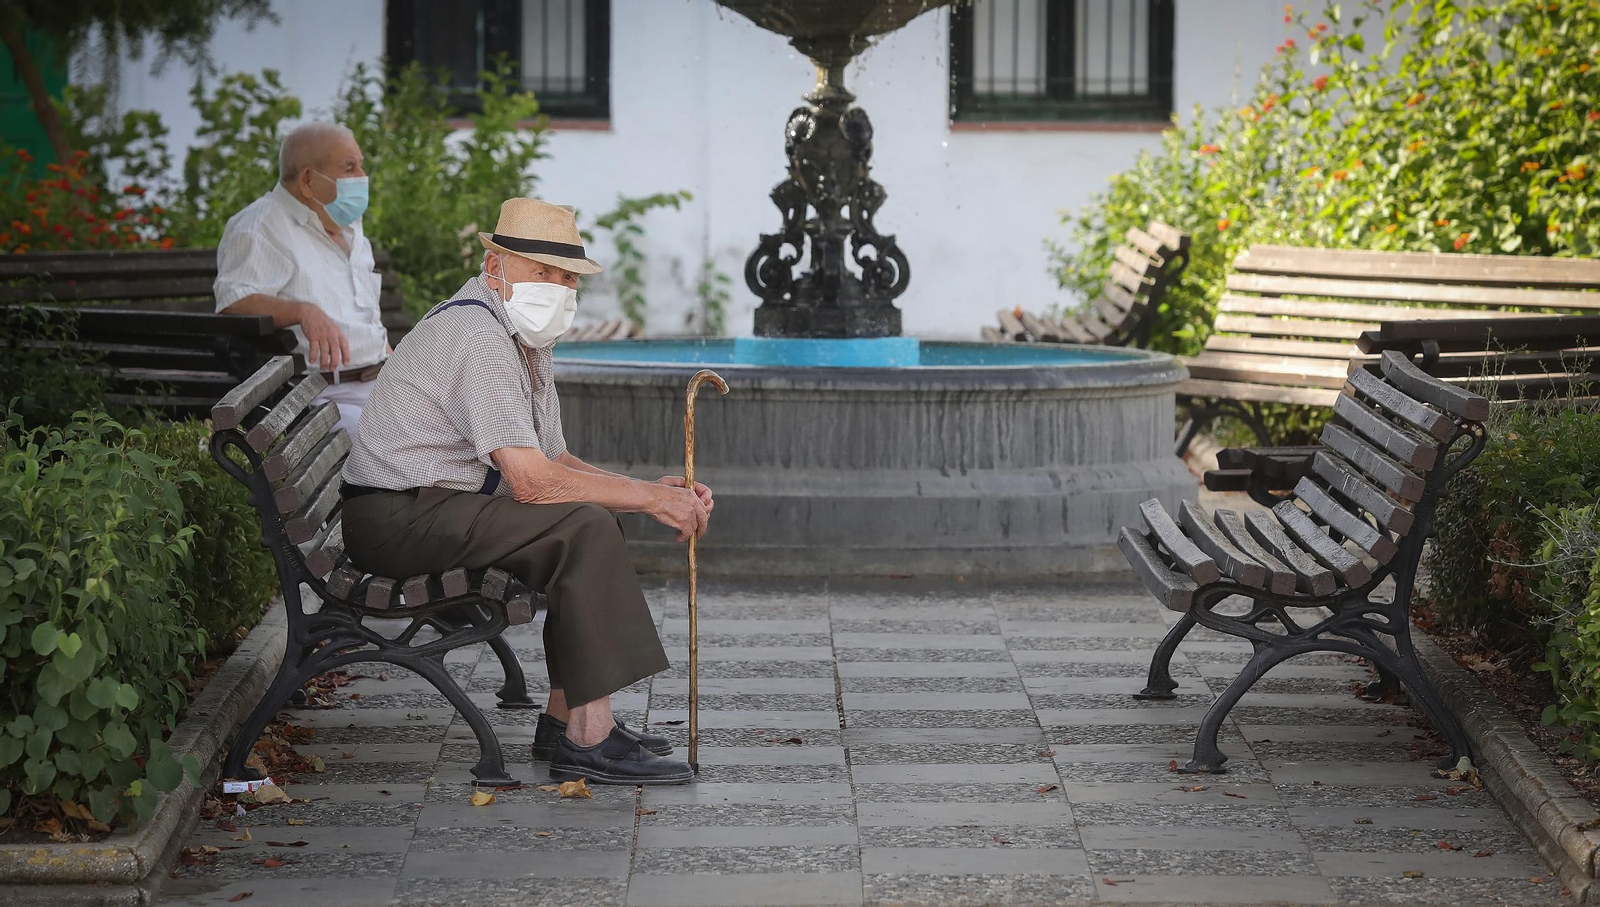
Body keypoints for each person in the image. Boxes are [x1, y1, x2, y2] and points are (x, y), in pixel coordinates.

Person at [339, 197, 712, 785]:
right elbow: (532, 483)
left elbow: (554, 459)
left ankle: (565, 722)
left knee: (592, 514)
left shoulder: (523, 336)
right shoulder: (479, 335)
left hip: (437, 505)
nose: (558, 287)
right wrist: (650, 500)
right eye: (542, 272)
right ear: (496, 267)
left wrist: (639, 489)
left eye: (567, 277)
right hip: (395, 517)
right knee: (584, 526)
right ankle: (590, 739)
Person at [214, 121, 389, 438]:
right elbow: (233, 301)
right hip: (323, 396)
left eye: (361, 165)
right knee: (400, 448)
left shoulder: (346, 223)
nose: (362, 176)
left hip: (382, 383)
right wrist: (303, 311)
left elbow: (362, 313)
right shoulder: (261, 225)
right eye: (349, 167)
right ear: (308, 179)